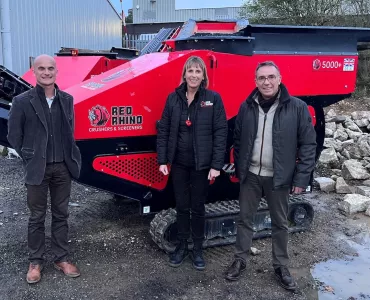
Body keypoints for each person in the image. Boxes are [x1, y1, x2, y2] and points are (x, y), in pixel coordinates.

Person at [224, 61, 316, 290]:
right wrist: (239, 167)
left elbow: (308, 144)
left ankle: (281, 266)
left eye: (271, 77)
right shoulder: (247, 106)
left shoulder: (296, 107)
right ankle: (240, 259)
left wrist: (301, 178)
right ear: (255, 81)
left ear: (280, 79)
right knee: (244, 219)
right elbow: (238, 138)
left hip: (279, 177)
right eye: (262, 78)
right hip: (251, 175)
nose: (266, 82)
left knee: (280, 223)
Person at [7, 54, 82, 284]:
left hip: (62, 168)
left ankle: (61, 258)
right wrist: (30, 157)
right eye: (41, 68)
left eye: (50, 68)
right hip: (37, 169)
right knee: (36, 217)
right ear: (34, 71)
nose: (46, 72)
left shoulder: (67, 100)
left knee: (61, 215)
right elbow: (13, 136)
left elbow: (70, 132)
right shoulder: (22, 102)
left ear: (56, 71)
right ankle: (35, 262)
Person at [157, 56, 227, 271]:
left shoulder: (212, 99)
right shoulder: (173, 98)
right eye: (190, 71)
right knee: (181, 206)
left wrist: (216, 165)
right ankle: (182, 246)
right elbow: (164, 130)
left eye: (198, 71)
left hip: (202, 166)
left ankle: (197, 248)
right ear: (184, 74)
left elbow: (220, 132)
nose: (194, 75)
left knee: (197, 208)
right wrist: (163, 160)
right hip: (178, 163)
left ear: (203, 75)